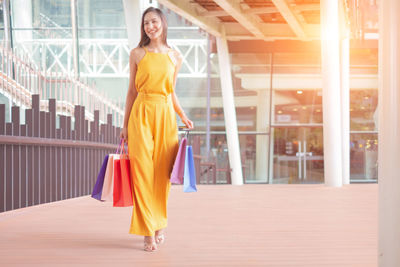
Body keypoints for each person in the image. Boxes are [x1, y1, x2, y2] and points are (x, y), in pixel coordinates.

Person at [119, 7, 194, 252]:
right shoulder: (137, 54)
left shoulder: (175, 57)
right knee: (141, 173)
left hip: (165, 115)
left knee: (163, 176)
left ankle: (158, 222)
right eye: (146, 23)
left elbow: (171, 92)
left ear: (162, 23)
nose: (150, 27)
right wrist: (124, 125)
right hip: (140, 113)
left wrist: (183, 115)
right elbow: (131, 91)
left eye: (154, 21)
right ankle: (147, 231)